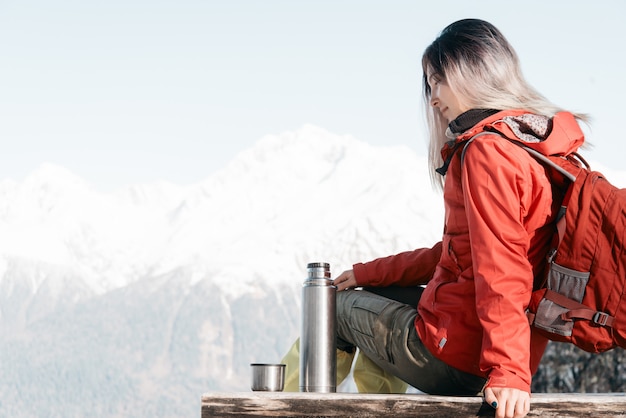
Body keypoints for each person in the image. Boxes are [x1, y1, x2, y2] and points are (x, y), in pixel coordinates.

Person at [281, 18, 588, 418]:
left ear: (471, 72)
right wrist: (367, 273)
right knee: (365, 298)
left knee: (331, 307)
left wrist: (509, 373)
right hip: (487, 348)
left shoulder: (486, 151)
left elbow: (502, 268)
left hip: (458, 360)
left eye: (438, 81)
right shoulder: (534, 148)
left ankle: (281, 408)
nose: (432, 98)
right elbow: (460, 252)